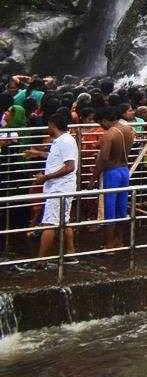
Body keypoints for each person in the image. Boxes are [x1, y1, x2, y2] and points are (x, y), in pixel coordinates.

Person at [32, 110, 77, 264]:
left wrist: (45, 177)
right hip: (59, 186)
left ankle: (41, 260)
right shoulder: (61, 141)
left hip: (60, 188)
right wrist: (38, 153)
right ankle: (70, 254)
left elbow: (69, 166)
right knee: (64, 221)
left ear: (53, 125)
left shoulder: (65, 141)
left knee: (50, 222)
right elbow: (57, 158)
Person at [95, 106, 131, 251]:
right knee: (121, 206)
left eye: (100, 123)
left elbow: (103, 158)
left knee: (109, 207)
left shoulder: (109, 134)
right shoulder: (127, 130)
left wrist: (94, 176)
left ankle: (109, 244)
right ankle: (119, 240)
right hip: (124, 169)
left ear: (104, 120)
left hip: (112, 172)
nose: (100, 126)